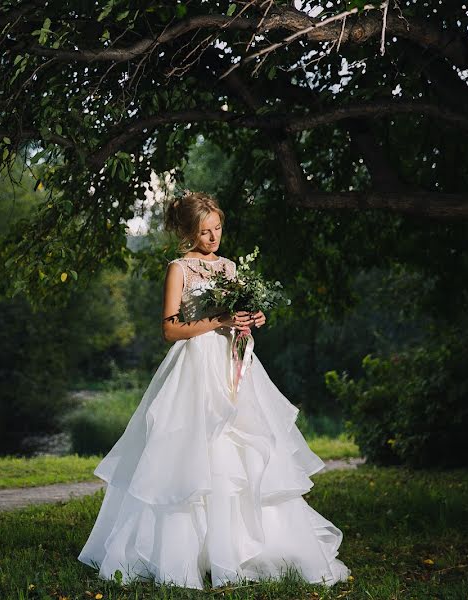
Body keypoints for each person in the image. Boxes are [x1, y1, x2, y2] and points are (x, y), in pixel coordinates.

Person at [76, 190, 351, 590]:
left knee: (243, 451)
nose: (213, 238)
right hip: (195, 367)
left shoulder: (229, 266)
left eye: (218, 228)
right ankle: (185, 553)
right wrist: (216, 319)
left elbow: (240, 310)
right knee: (194, 452)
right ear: (189, 232)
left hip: (233, 363)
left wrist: (253, 317)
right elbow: (170, 329)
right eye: (205, 232)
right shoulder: (179, 269)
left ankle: (249, 548)